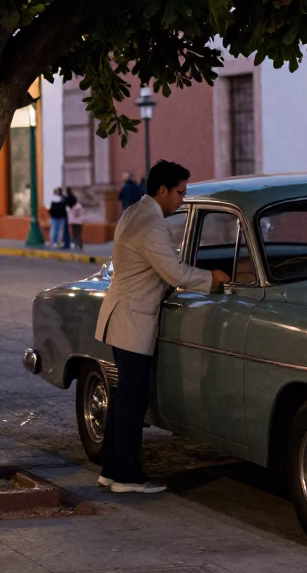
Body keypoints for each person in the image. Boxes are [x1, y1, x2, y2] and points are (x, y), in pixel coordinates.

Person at [94, 159, 229, 494]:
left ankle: (111, 470)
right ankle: (127, 476)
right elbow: (175, 273)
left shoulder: (133, 212)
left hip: (122, 314)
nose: (182, 200)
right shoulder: (152, 225)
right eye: (180, 193)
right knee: (132, 401)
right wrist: (212, 278)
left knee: (124, 397)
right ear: (162, 190)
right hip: (133, 320)